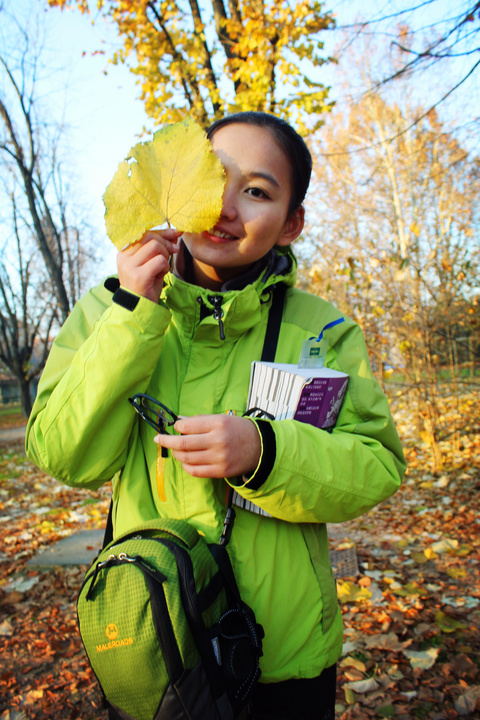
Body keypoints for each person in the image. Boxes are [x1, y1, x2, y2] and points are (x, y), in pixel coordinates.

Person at [26, 111, 406, 720]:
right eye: (213, 178)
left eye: (257, 191)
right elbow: (63, 454)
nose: (226, 206)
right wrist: (133, 315)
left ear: (292, 223)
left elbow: (376, 464)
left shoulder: (323, 331)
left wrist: (266, 453)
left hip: (284, 653)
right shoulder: (112, 306)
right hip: (155, 641)